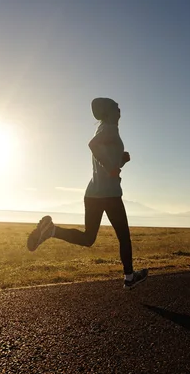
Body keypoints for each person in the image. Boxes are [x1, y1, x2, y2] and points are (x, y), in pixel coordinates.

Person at [27, 97, 148, 290]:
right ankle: (129, 277)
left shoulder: (103, 129)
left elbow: (105, 158)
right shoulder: (109, 128)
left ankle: (51, 230)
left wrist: (120, 160)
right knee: (124, 237)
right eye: (117, 108)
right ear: (108, 112)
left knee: (88, 238)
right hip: (110, 195)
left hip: (93, 194)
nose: (120, 111)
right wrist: (112, 166)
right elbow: (93, 146)